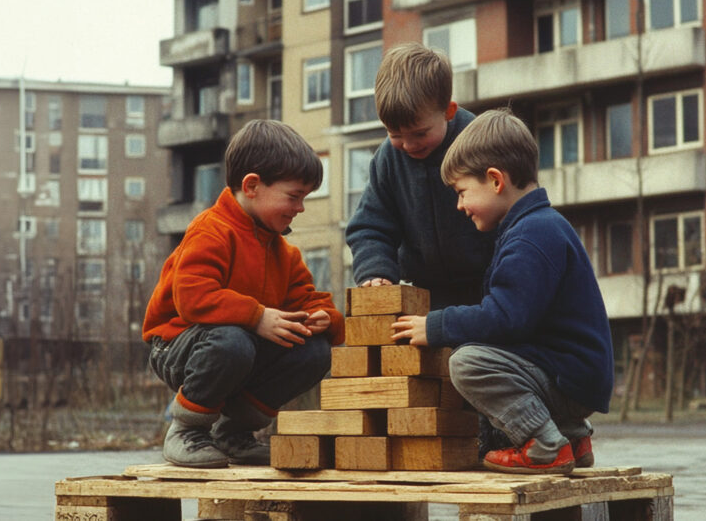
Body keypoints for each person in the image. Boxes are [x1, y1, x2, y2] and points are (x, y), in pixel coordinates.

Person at [390, 109, 614, 474]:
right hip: (572, 374)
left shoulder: (530, 235)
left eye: (462, 192)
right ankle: (572, 437)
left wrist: (437, 325)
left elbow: (505, 318)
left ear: (495, 180)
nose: (460, 205)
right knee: (484, 350)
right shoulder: (537, 226)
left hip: (567, 377)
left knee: (467, 363)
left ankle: (545, 445)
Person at [143, 120, 345, 468]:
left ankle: (233, 432)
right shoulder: (211, 231)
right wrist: (258, 316)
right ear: (252, 185)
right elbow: (192, 297)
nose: (300, 208)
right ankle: (186, 430)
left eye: (304, 198)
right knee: (232, 340)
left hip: (238, 347)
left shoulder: (283, 252)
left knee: (313, 350)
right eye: (294, 196)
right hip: (177, 345)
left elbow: (308, 298)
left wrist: (325, 319)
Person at [345, 42, 495, 312]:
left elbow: (513, 213)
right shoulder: (387, 160)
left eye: (420, 133)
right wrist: (375, 271)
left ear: (448, 112)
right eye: (395, 135)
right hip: (426, 296)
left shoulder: (482, 143)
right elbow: (370, 226)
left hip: (489, 287)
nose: (409, 144)